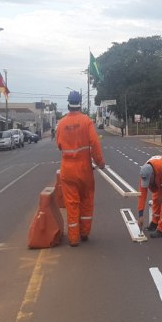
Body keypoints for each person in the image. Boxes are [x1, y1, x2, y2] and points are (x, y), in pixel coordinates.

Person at [56, 90, 106, 247]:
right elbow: (95, 144)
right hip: (84, 170)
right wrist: (100, 163)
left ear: (68, 103)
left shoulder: (61, 123)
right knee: (86, 200)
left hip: (67, 170)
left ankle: (73, 238)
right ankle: (84, 233)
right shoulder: (87, 121)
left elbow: (59, 145)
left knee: (71, 204)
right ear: (80, 103)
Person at [137, 155, 162, 238]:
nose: (148, 184)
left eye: (149, 181)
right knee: (155, 198)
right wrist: (140, 215)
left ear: (152, 174)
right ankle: (155, 222)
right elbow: (142, 195)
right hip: (158, 176)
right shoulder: (144, 173)